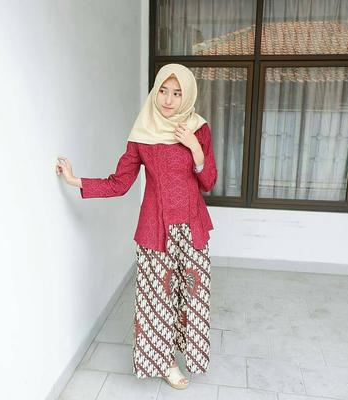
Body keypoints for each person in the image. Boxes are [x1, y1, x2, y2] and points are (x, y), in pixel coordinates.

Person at [55, 63, 217, 390]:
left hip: (192, 230)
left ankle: (190, 352)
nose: (168, 99)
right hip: (156, 231)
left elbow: (209, 181)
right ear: (154, 91)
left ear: (187, 96)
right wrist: (76, 181)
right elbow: (120, 183)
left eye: (177, 93)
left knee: (192, 297)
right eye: (163, 90)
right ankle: (166, 362)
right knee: (157, 299)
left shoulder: (198, 129)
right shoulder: (143, 133)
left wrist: (195, 148)